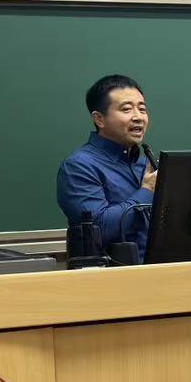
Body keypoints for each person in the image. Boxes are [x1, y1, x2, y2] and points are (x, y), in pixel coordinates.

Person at [57, 74, 156, 261]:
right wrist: (146, 191)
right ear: (99, 119)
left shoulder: (145, 165)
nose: (138, 117)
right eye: (127, 109)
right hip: (113, 274)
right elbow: (99, 229)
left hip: (164, 269)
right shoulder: (79, 166)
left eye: (142, 109)